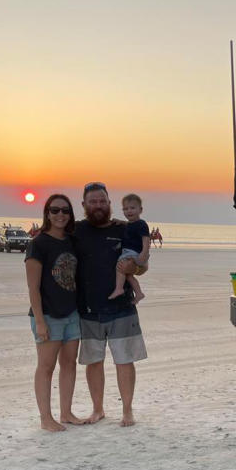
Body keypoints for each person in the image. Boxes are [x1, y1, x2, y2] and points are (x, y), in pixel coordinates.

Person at [75, 182, 146, 427]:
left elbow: (143, 266)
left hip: (122, 309)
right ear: (83, 205)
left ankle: (127, 411)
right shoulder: (76, 230)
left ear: (109, 204)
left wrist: (134, 267)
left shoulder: (125, 229)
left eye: (102, 201)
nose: (97, 205)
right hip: (88, 309)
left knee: (124, 360)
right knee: (93, 361)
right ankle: (98, 409)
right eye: (92, 201)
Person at [25, 194, 85, 432]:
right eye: (55, 210)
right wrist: (40, 321)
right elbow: (33, 287)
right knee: (46, 367)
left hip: (72, 313)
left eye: (65, 211)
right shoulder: (38, 244)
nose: (60, 215)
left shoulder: (72, 240)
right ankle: (45, 418)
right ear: (47, 213)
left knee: (69, 364)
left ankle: (66, 412)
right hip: (48, 315)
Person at [108, 194, 150, 303]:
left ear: (140, 210)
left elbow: (146, 240)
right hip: (130, 252)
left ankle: (119, 288)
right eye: (125, 209)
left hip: (133, 253)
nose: (129, 211)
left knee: (120, 266)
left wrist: (143, 256)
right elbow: (129, 225)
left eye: (132, 208)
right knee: (128, 276)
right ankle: (139, 293)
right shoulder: (131, 224)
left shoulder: (141, 224)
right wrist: (121, 222)